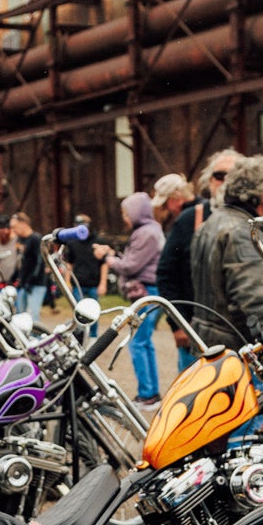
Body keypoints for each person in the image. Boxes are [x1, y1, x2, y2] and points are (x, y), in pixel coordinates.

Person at [157, 149, 242, 369]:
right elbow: (166, 273)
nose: (225, 182)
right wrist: (178, 324)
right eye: (219, 175)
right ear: (209, 180)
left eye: (232, 175)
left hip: (243, 337)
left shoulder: (252, 220)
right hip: (197, 334)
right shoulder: (188, 220)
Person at [190, 154, 263, 348]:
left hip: (212, 342)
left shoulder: (213, 222)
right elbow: (249, 303)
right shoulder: (243, 232)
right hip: (236, 350)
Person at [95, 192, 165, 403]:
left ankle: (147, 394)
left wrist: (108, 259)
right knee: (144, 342)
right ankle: (151, 391)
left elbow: (131, 265)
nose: (125, 218)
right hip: (149, 291)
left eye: (127, 213)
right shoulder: (149, 231)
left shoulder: (146, 233)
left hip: (145, 293)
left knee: (137, 343)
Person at [151, 173, 198, 370]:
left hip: (192, 319)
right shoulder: (187, 220)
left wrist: (178, 324)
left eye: (166, 203)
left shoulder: (184, 222)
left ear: (177, 197)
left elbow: (165, 273)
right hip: (193, 317)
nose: (166, 210)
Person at [66, 213, 107, 336]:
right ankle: (81, 337)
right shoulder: (72, 243)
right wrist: (67, 281)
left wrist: (103, 283)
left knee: (93, 314)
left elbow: (104, 264)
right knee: (79, 314)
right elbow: (69, 264)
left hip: (93, 285)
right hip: (78, 284)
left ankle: (93, 337)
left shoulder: (97, 242)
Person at [10, 211, 47, 319]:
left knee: (32, 314)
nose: (13, 230)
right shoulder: (20, 240)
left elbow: (40, 261)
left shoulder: (36, 239)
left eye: (15, 227)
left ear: (23, 224)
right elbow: (21, 261)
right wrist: (15, 277)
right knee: (20, 314)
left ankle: (36, 335)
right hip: (23, 283)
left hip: (36, 284)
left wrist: (31, 279)